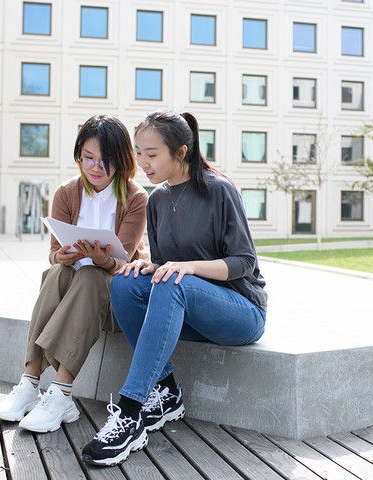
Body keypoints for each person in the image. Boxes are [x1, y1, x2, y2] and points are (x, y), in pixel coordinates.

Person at [82, 111, 268, 466]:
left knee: (175, 281)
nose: (142, 163)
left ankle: (130, 412)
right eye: (139, 153)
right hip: (189, 306)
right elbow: (166, 267)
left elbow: (244, 262)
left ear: (180, 152)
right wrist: (147, 266)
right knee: (125, 282)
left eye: (152, 154)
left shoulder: (219, 190)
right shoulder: (157, 200)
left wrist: (187, 268)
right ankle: (166, 392)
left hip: (241, 311)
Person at [0, 114, 149, 433]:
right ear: (79, 154)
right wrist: (62, 253)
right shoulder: (66, 193)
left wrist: (98, 258)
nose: (95, 168)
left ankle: (61, 392)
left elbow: (122, 264)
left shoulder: (135, 197)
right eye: (87, 158)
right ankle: (29, 382)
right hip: (72, 293)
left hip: (114, 302)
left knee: (90, 275)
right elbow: (53, 253)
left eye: (106, 161)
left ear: (123, 160)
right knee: (56, 272)